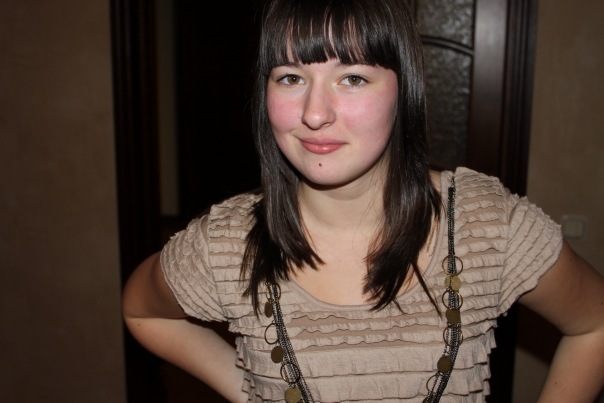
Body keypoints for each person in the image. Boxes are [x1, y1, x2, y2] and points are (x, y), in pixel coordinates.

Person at [121, 0, 604, 401]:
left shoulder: (487, 225)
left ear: (403, 89)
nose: (314, 114)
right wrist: (249, 388)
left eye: (352, 77)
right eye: (290, 77)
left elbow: (595, 325)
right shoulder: (227, 244)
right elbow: (142, 310)